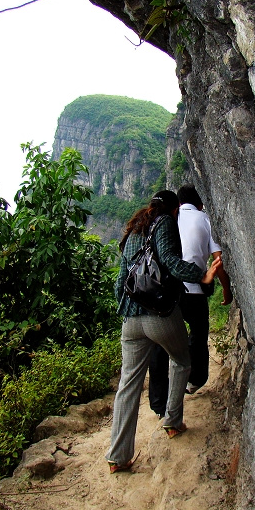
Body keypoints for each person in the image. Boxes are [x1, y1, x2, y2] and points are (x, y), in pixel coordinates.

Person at [106, 190, 221, 474]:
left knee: (128, 384)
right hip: (159, 314)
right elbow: (170, 260)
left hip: (130, 320)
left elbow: (120, 279)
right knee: (181, 361)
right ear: (173, 209)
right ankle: (172, 422)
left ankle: (118, 457)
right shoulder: (166, 222)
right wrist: (201, 276)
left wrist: (126, 312)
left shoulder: (135, 228)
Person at [148, 185, 232, 416]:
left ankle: (158, 402)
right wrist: (226, 289)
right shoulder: (204, 219)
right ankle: (194, 380)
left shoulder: (163, 218)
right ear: (200, 203)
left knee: (160, 344)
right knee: (197, 334)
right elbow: (218, 260)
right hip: (195, 288)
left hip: (165, 290)